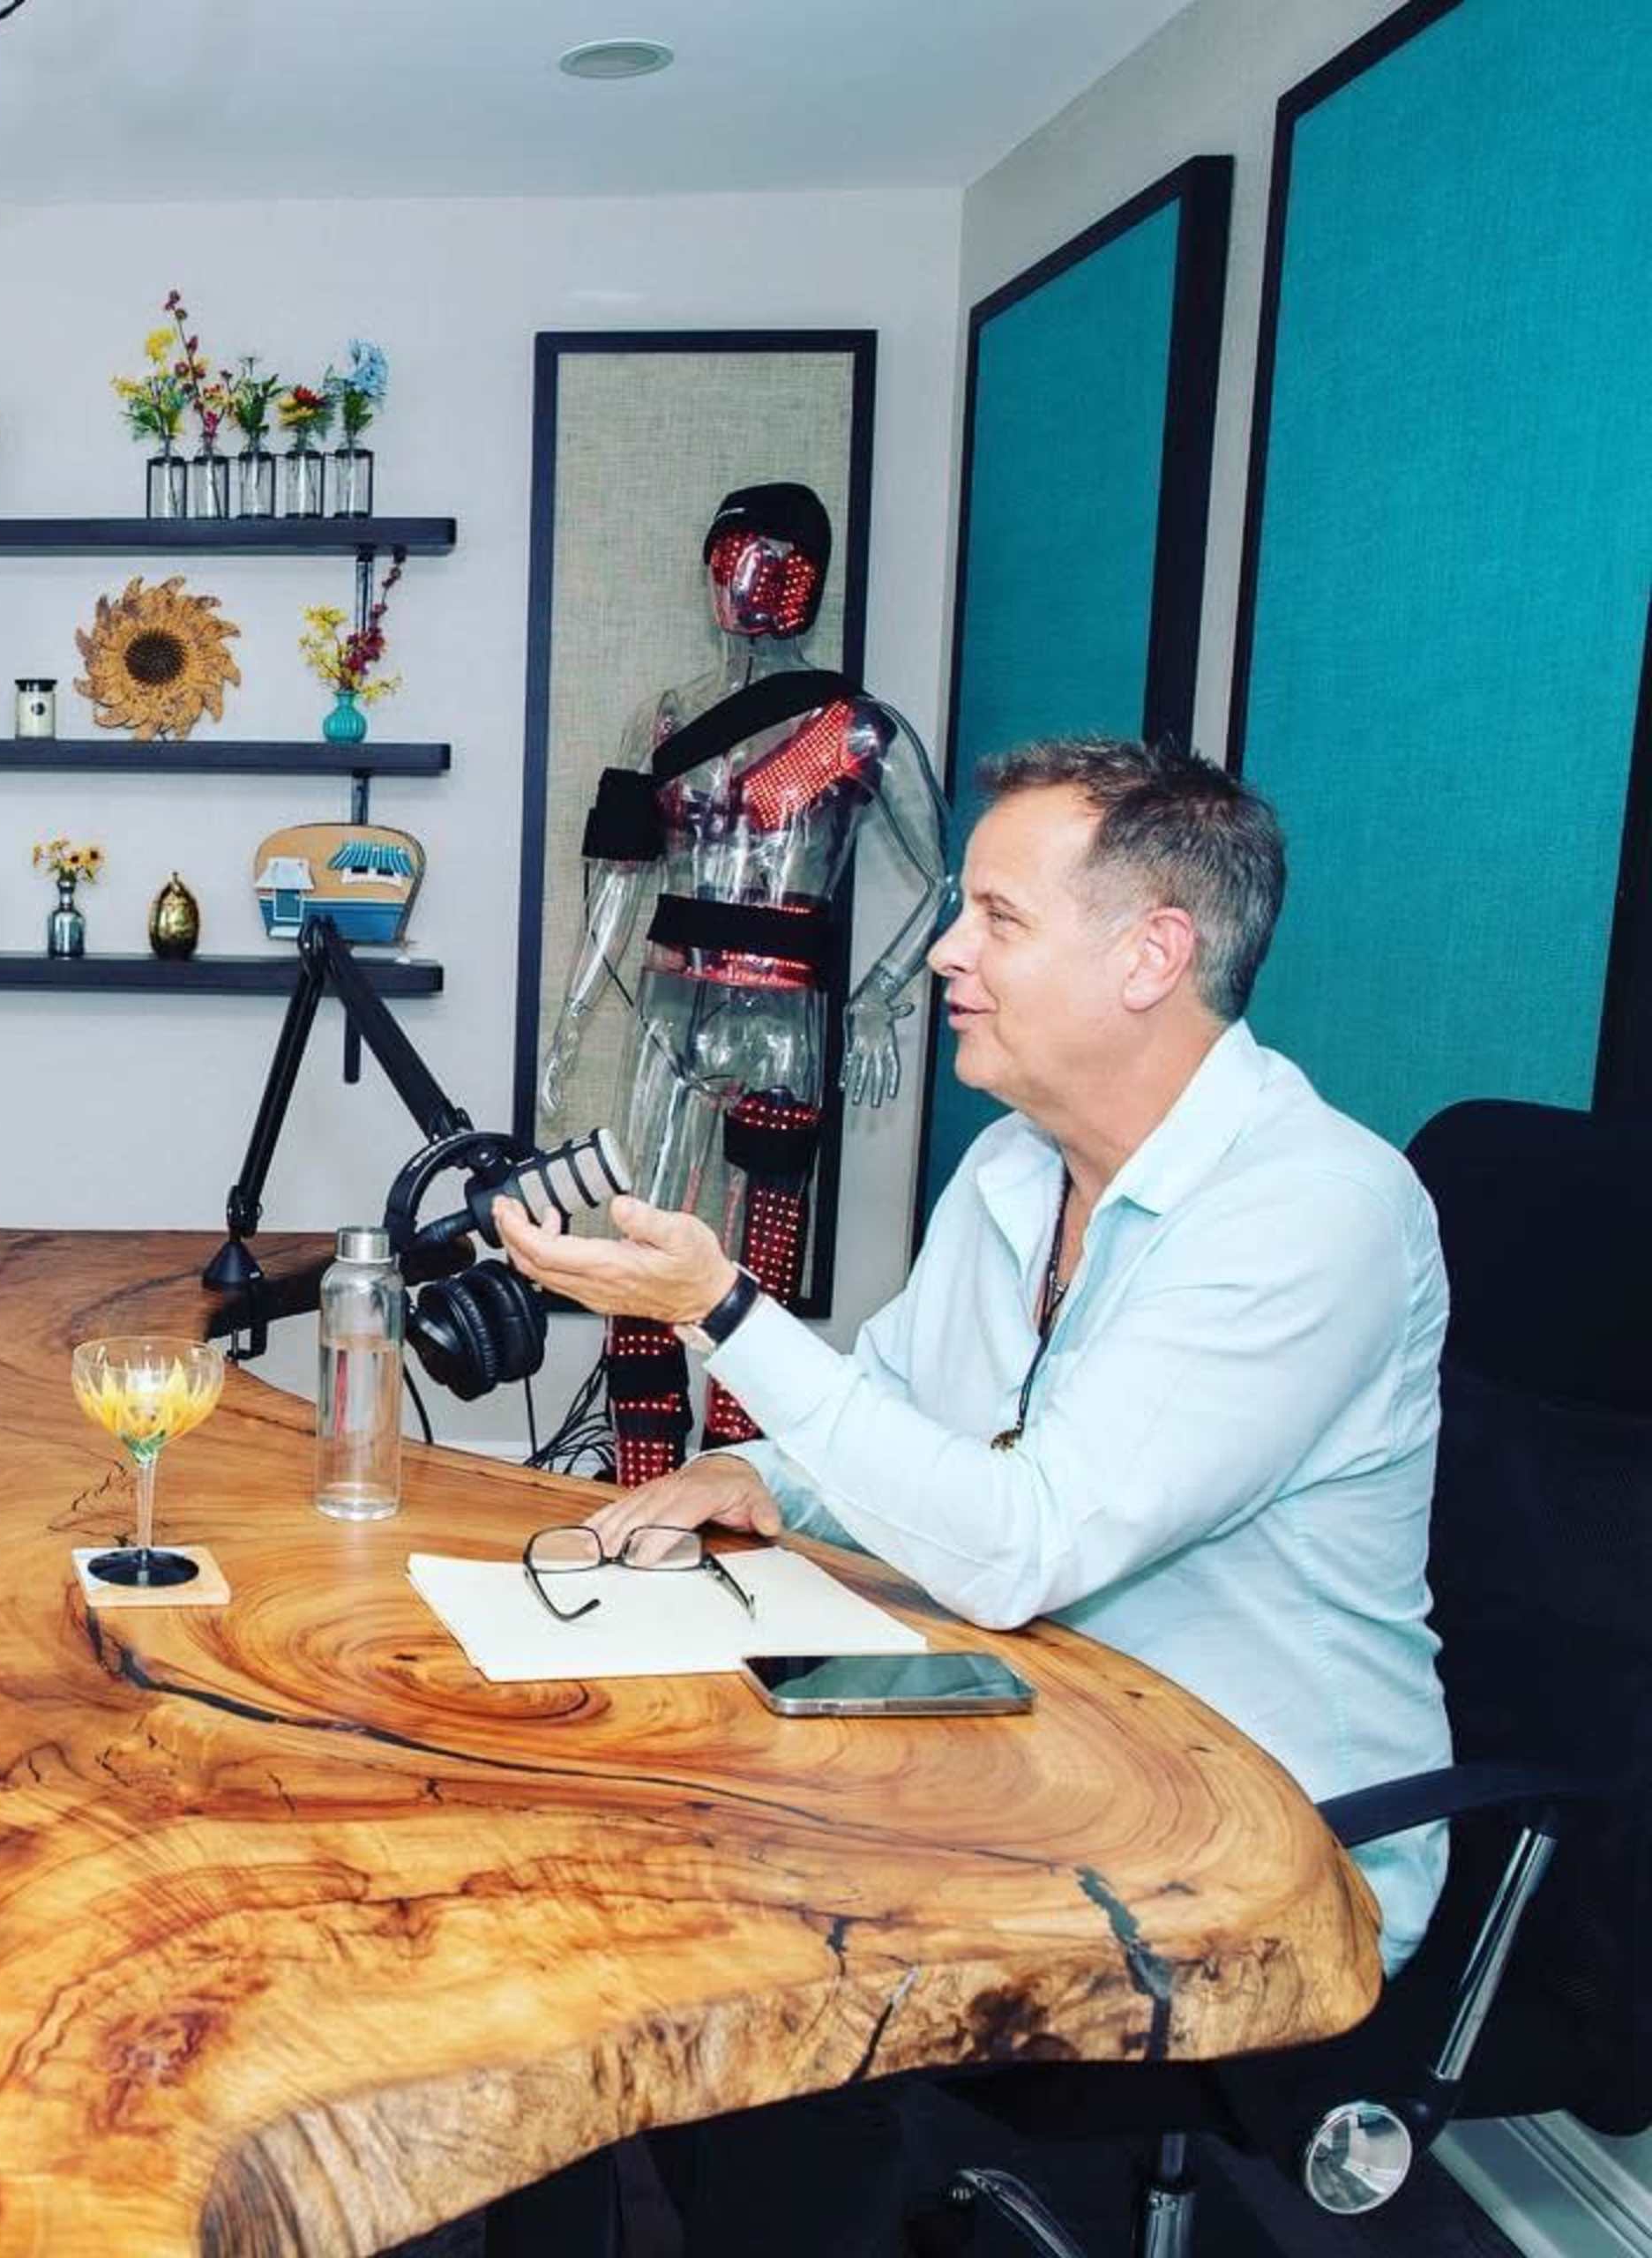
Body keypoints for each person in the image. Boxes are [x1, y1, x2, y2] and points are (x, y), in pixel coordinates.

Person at [501, 737, 1452, 2247]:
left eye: (999, 918)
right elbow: (894, 1428)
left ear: (1152, 956)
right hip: (1032, 1741)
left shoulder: (1313, 1212)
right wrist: (751, 1474)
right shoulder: (1017, 1167)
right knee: (641, 1849)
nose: (945, 951)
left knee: (768, 1977)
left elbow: (1023, 1546)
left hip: (1263, 1846)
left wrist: (725, 1315)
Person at [536, 482, 946, 1485]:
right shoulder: (666, 721)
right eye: (728, 560)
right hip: (670, 1013)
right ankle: (641, 1475)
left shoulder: (852, 729)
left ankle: (733, 1480)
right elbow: (620, 876)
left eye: (770, 562)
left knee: (757, 1260)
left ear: (809, 577)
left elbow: (946, 879)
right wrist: (574, 1012)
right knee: (644, 1238)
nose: (744, 584)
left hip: (783, 1021)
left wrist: (879, 996)